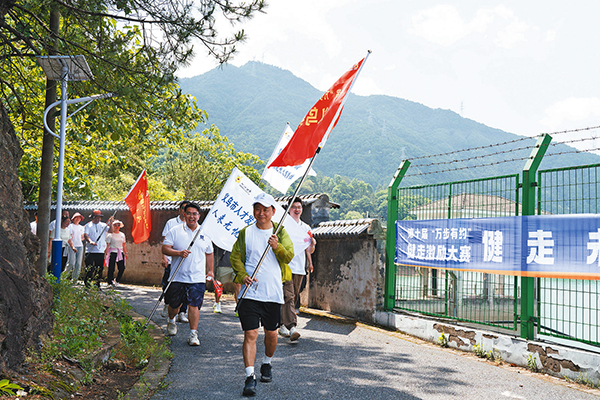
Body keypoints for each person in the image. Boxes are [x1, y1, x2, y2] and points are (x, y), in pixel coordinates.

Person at [230, 193, 294, 396]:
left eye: (265, 209)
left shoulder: (280, 232)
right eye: (257, 209)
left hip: (272, 293)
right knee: (250, 334)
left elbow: (289, 256)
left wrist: (277, 246)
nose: (261, 213)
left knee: (271, 334)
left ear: (273, 211)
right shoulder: (245, 233)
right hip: (250, 293)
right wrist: (242, 275)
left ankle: (267, 362)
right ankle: (250, 377)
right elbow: (235, 257)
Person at [162, 202, 214, 346]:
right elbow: (165, 248)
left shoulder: (204, 232)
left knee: (194, 305)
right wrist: (178, 253)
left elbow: (209, 253)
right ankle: (171, 320)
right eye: (189, 213)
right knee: (174, 305)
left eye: (194, 214)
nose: (192, 216)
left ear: (199, 216)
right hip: (177, 276)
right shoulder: (175, 230)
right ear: (184, 214)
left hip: (197, 277)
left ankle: (193, 334)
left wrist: (210, 270)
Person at [279, 197, 316, 341]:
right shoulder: (283, 225)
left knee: (292, 296)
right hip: (286, 266)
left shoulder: (305, 228)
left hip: (300, 268)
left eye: (299, 207)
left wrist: (312, 245)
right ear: (289, 209)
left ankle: (282, 324)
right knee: (288, 296)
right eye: (294, 207)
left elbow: (309, 250)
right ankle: (292, 326)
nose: (297, 209)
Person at [161, 200, 190, 322]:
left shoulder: (192, 225)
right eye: (183, 209)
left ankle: (182, 312)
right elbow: (164, 242)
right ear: (180, 210)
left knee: (185, 287)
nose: (185, 212)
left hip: (187, 262)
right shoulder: (171, 223)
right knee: (168, 285)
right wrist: (164, 257)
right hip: (171, 260)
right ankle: (167, 303)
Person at [83, 210, 113, 288]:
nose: (98, 219)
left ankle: (97, 284)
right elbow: (86, 235)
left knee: (99, 269)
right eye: (97, 217)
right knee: (89, 268)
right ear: (93, 217)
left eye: (99, 218)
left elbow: (111, 231)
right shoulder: (88, 225)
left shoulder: (103, 225)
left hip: (100, 251)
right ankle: (87, 284)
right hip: (90, 250)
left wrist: (111, 223)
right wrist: (90, 241)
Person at [105, 220, 127, 286]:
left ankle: (117, 280)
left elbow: (124, 244)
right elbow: (107, 245)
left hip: (120, 252)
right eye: (115, 225)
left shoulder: (122, 234)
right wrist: (105, 253)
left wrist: (125, 253)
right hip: (112, 252)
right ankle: (110, 282)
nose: (117, 226)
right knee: (111, 268)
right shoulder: (110, 235)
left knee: (122, 268)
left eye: (118, 225)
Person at [67, 212, 85, 281]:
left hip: (80, 246)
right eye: (76, 218)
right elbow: (70, 237)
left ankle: (74, 280)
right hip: (72, 246)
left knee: (78, 264)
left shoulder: (81, 227)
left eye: (79, 218)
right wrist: (72, 246)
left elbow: (82, 237)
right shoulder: (70, 226)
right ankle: (63, 277)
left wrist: (82, 237)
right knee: (71, 263)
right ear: (73, 218)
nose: (77, 219)